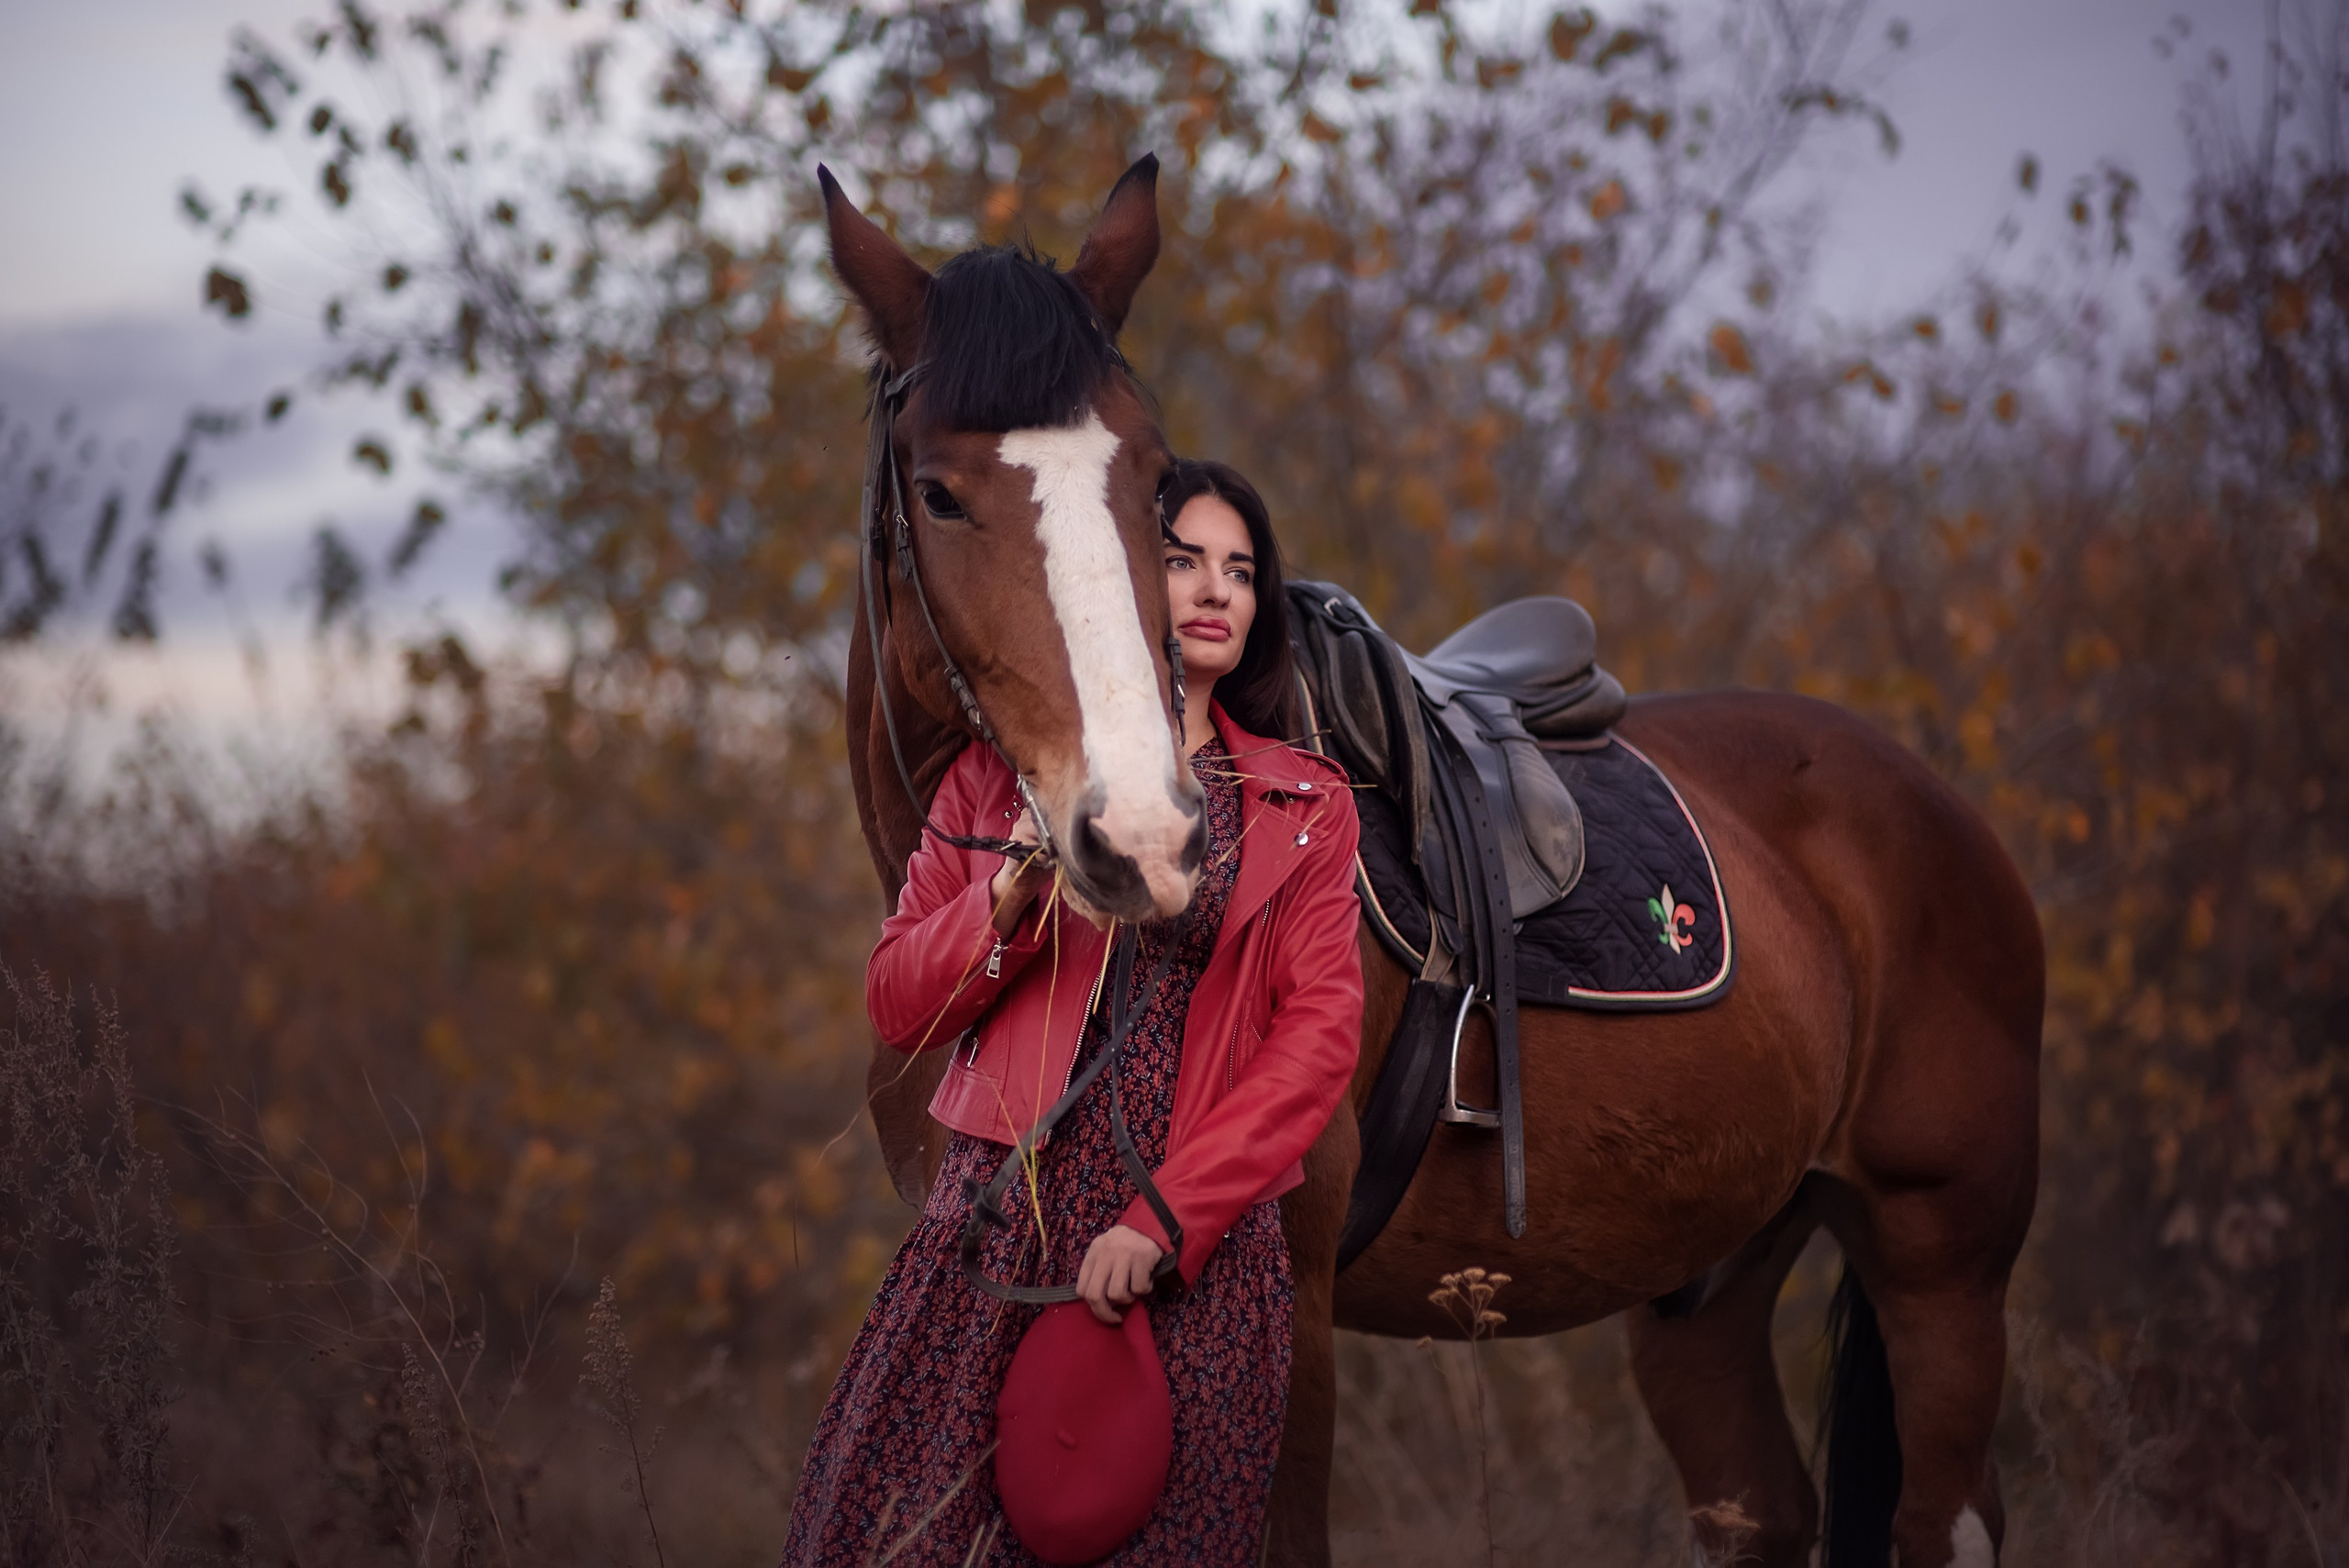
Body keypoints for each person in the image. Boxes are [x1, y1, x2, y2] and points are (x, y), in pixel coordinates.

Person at [780, 459, 1364, 1566]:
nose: (1215, 588)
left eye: (1240, 570)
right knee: (901, 1535)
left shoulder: (1304, 803)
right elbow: (900, 1000)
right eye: (1182, 559)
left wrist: (1165, 1220)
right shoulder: (991, 779)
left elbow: (1317, 1037)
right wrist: (1008, 890)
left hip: (1195, 1252)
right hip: (1001, 1215)